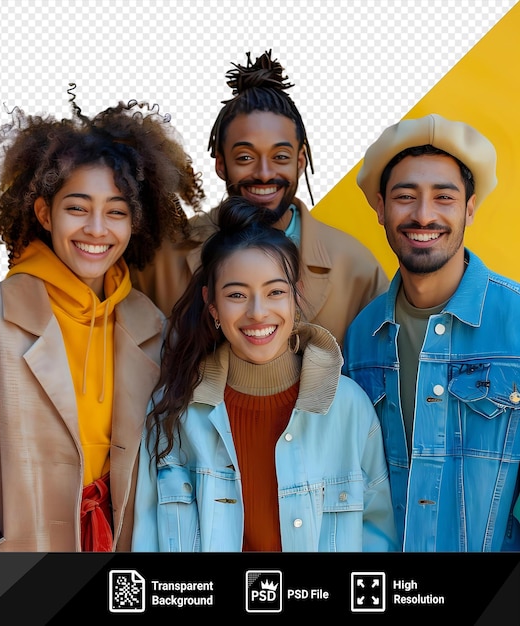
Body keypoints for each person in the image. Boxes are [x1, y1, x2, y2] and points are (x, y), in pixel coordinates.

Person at [0, 86, 205, 552]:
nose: (97, 229)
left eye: (115, 212)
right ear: (44, 213)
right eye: (77, 208)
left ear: (135, 222)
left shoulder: (152, 325)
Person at [132, 196, 398, 552]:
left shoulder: (348, 406)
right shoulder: (174, 411)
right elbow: (148, 541)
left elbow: (377, 536)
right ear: (212, 304)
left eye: (274, 292)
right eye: (237, 295)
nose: (258, 313)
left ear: (295, 295)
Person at [342, 113, 520, 551]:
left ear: (470, 208)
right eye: (406, 197)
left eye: (444, 197)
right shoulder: (361, 335)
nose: (424, 215)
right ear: (380, 208)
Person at [131, 50, 388, 346]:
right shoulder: (160, 261)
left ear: (300, 160)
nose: (264, 173)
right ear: (220, 163)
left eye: (280, 156)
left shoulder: (357, 269)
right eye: (244, 157)